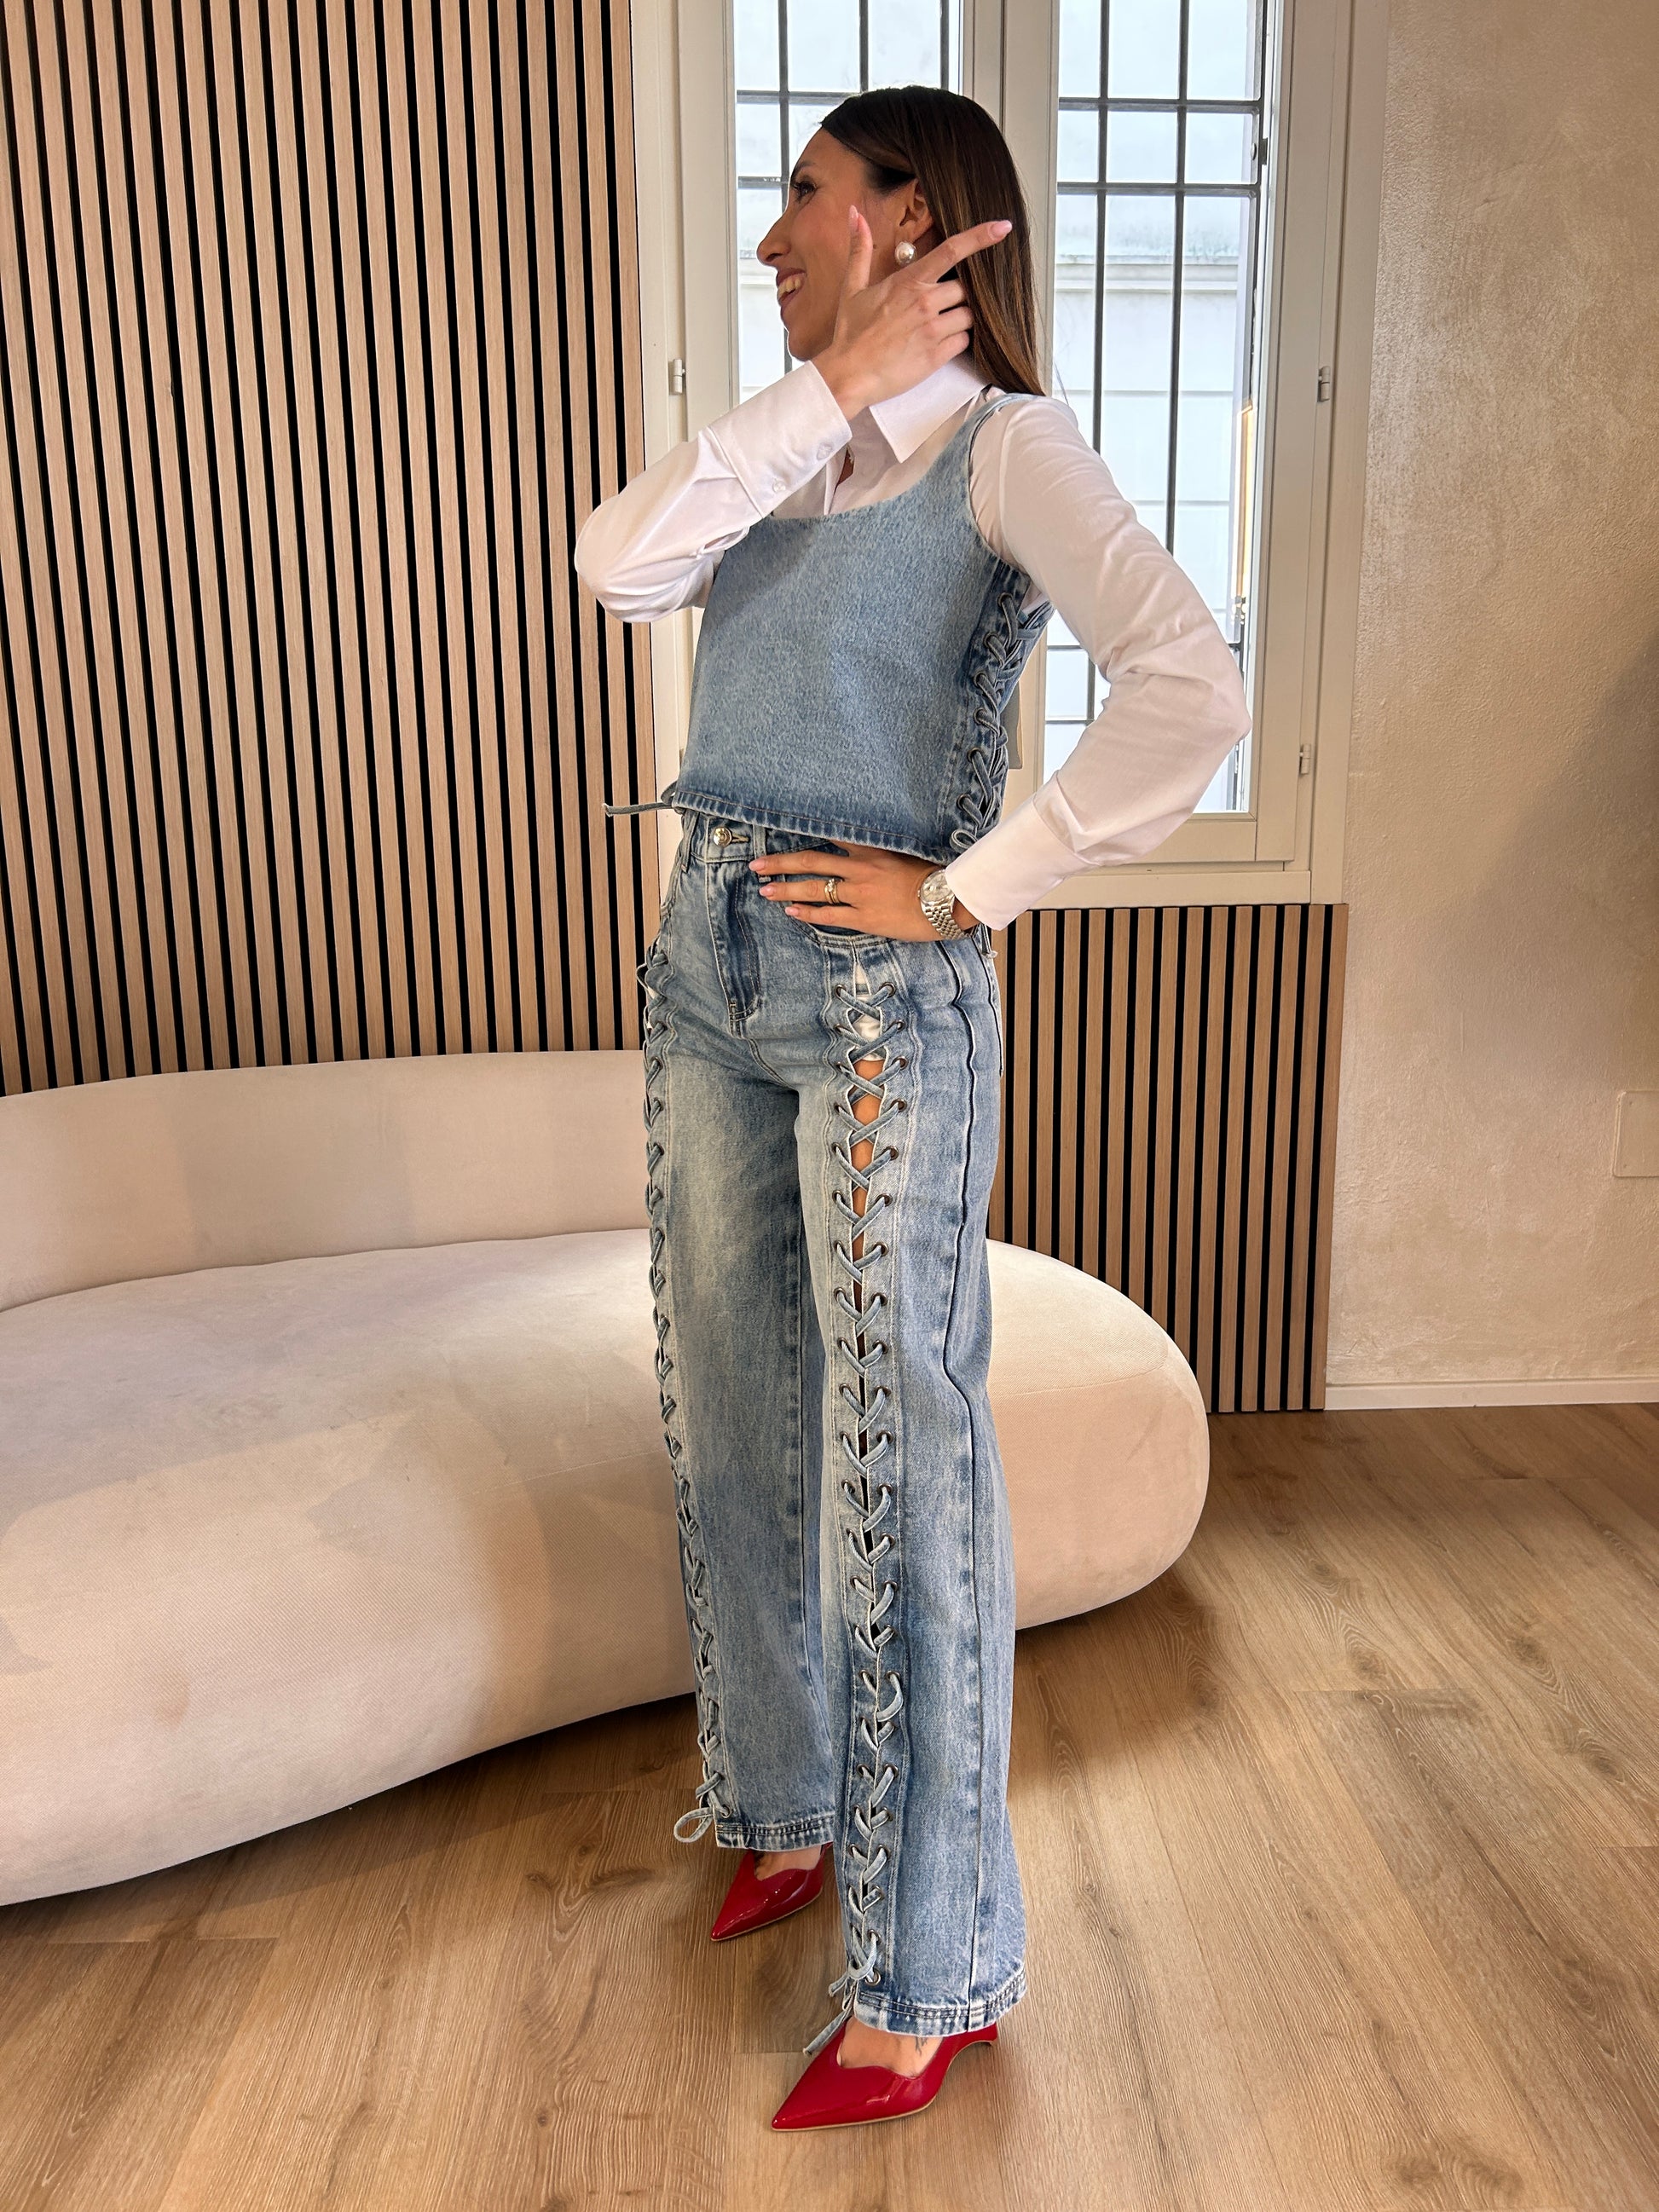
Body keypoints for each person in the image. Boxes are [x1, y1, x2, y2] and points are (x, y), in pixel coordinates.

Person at [574, 84, 1249, 2132]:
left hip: (879, 998)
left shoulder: (1011, 448)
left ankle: (930, 1962)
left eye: (806, 194)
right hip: (707, 958)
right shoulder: (787, 442)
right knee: (731, 1403)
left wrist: (966, 888)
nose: (772, 233)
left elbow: (1189, 684)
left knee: (897, 1462)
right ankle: (781, 1801)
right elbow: (616, 570)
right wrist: (828, 390)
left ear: (910, 218)